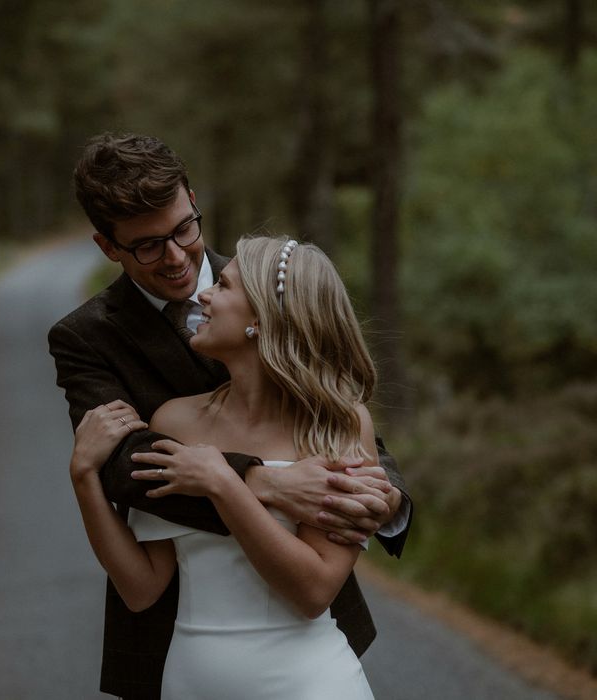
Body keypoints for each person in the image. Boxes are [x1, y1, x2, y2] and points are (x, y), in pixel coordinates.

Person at [48, 132, 411, 700]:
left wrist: (382, 494)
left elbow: (331, 412)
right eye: (146, 246)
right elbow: (123, 462)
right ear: (106, 246)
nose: (175, 258)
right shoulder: (86, 337)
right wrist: (262, 478)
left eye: (183, 229)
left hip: (304, 651)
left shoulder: (266, 284)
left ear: (193, 200)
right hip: (178, 645)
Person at [70, 235, 378, 699]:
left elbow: (314, 592)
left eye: (225, 286)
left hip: (308, 685)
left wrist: (222, 481)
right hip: (189, 683)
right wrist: (84, 479)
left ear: (260, 320)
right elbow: (142, 588)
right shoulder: (173, 420)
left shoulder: (336, 424)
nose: (205, 294)